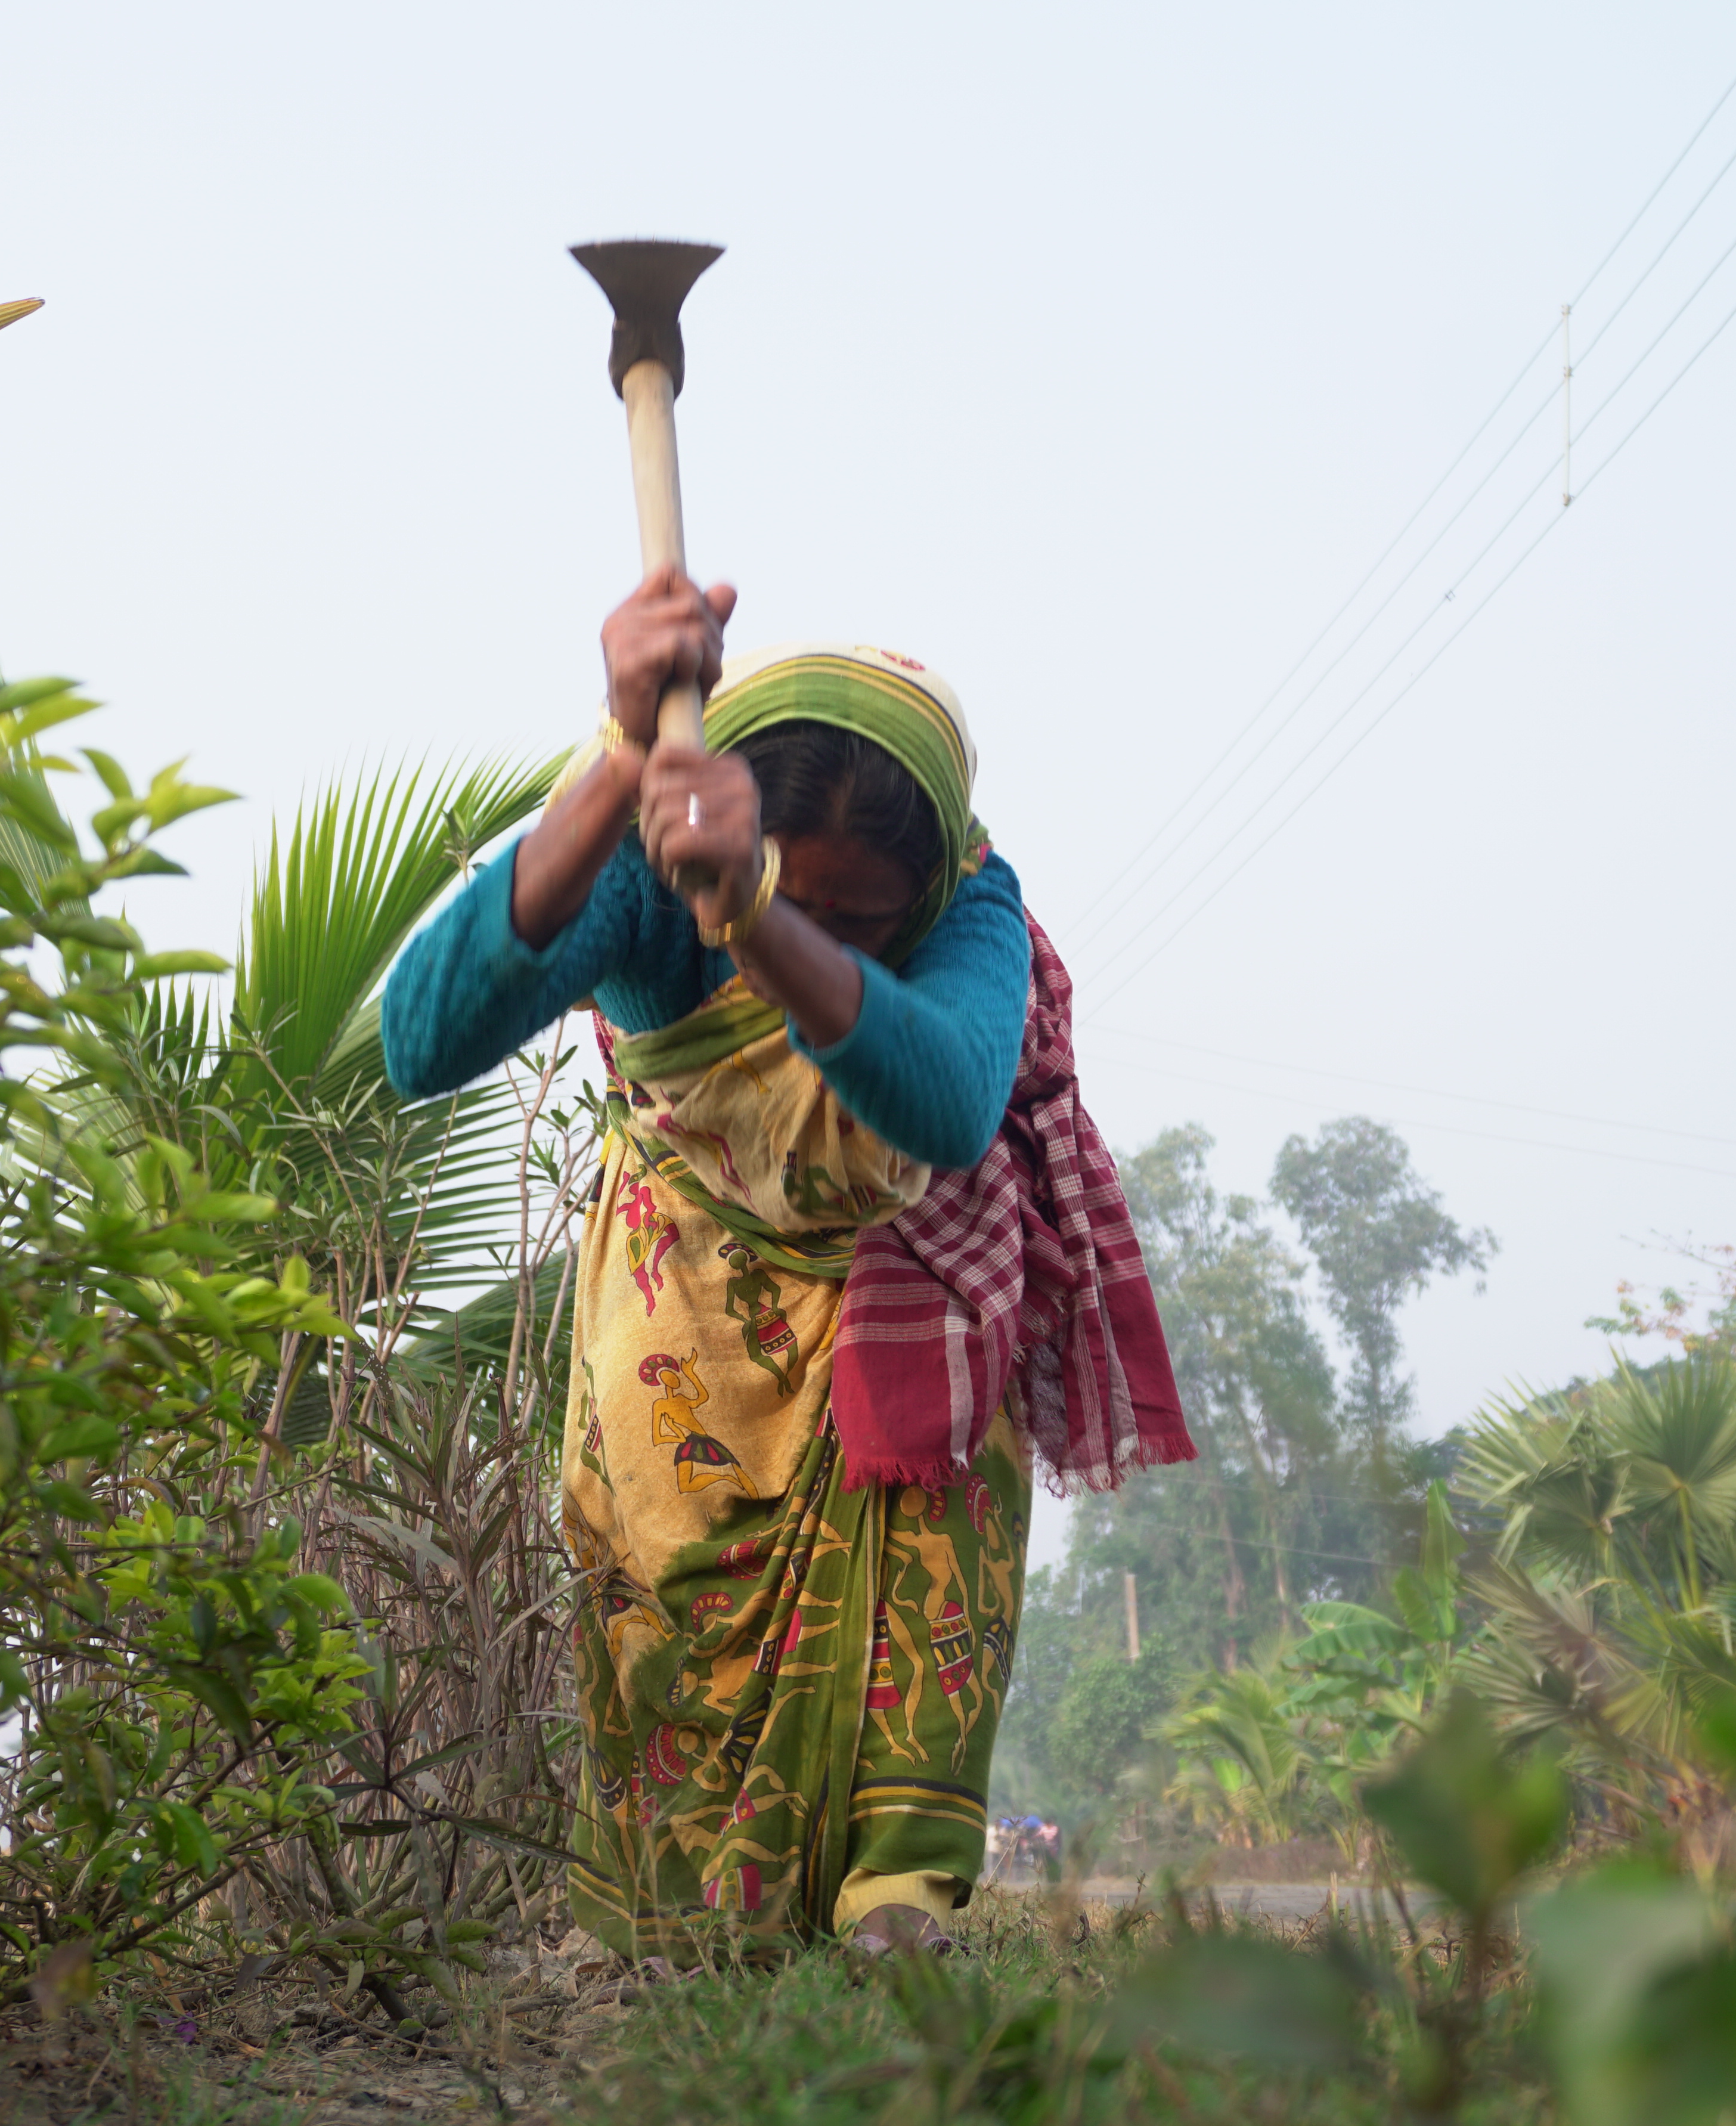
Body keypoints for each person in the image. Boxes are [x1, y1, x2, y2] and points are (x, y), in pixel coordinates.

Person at [382, 566, 1195, 1958]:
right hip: (692, 1306)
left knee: (927, 1569)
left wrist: (761, 911)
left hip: (912, 1290)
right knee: (674, 1587)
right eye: (800, 902)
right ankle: (693, 1930)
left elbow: (939, 1103)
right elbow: (422, 1039)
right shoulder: (645, 879)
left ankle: (897, 1902)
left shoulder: (974, 902)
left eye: (865, 923)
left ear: (929, 882)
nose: (820, 942)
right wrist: (619, 756)